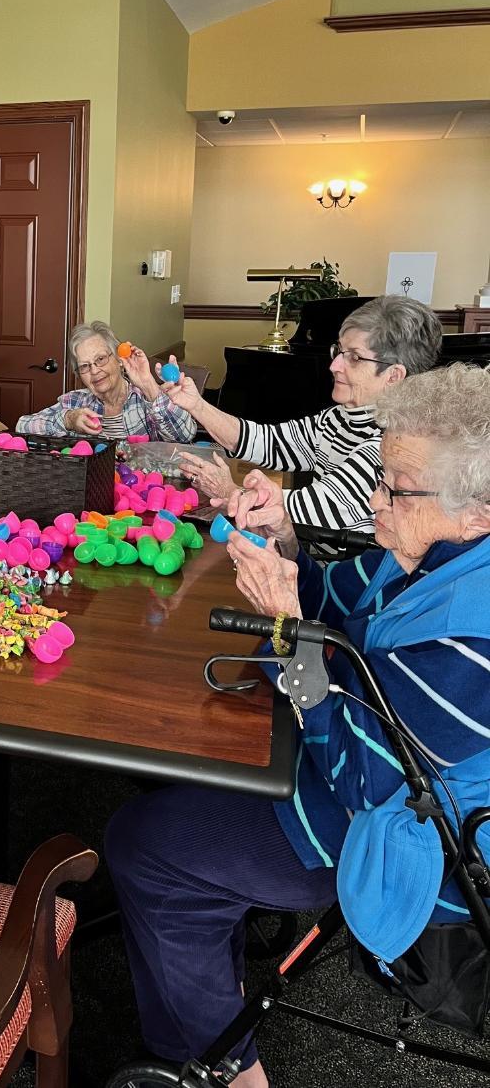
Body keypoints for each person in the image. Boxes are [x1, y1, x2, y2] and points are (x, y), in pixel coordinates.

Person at [105, 362, 490, 1087]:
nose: (373, 500)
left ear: (477, 512)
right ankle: (195, 1011)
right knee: (185, 770)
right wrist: (282, 540)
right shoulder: (430, 552)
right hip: (371, 769)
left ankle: (233, 1072)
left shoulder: (478, 636)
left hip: (419, 839)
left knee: (144, 843)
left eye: (394, 487)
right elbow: (332, 590)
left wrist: (289, 636)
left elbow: (365, 782)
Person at [165, 295, 442, 534]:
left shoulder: (396, 443)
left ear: (393, 376)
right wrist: (196, 405)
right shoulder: (340, 418)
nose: (334, 365)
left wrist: (230, 493)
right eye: (339, 351)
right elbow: (269, 442)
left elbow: (312, 508)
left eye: (354, 358)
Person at [16, 320, 195, 441]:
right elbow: (22, 426)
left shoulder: (148, 397)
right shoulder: (75, 401)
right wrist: (69, 420)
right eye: (85, 366)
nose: (94, 371)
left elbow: (185, 435)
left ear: (118, 359)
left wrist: (149, 385)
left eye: (101, 359)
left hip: (142, 491)